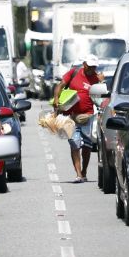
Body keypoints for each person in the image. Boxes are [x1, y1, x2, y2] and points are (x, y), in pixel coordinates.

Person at [52, 54, 103, 182]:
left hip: (87, 116)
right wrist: (56, 98)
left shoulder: (96, 78)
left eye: (94, 67)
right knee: (74, 143)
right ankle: (78, 174)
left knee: (87, 146)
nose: (92, 69)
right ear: (84, 64)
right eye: (90, 66)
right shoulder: (74, 73)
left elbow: (102, 98)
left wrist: (101, 82)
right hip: (71, 116)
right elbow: (60, 85)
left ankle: (84, 171)